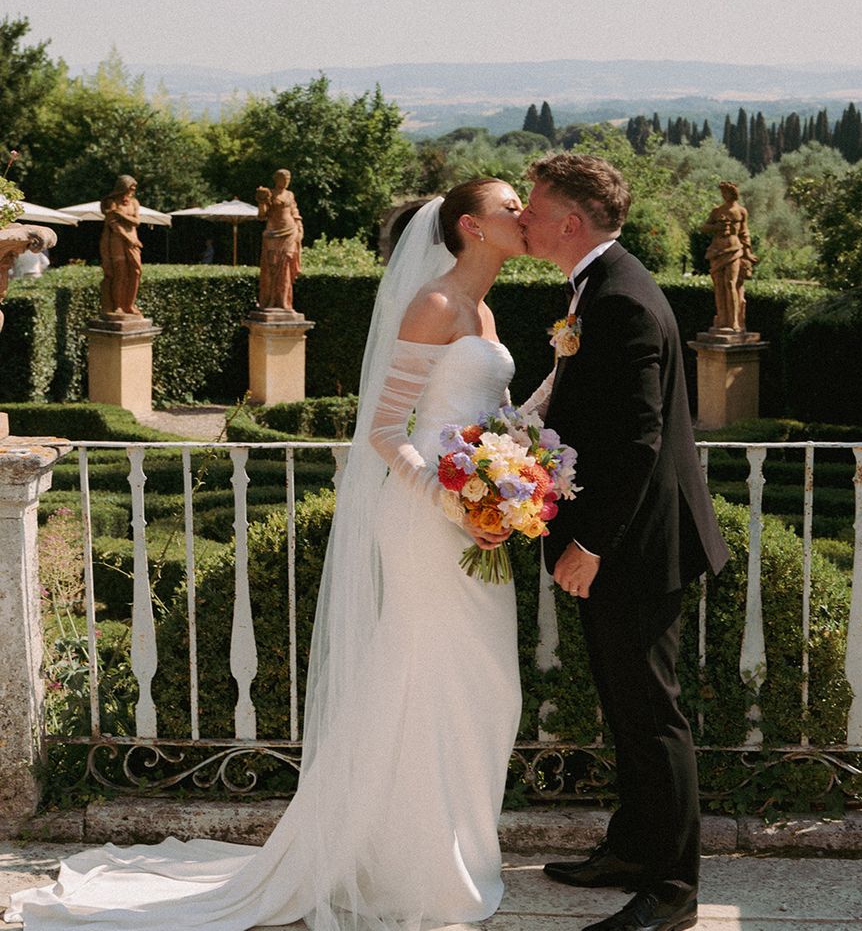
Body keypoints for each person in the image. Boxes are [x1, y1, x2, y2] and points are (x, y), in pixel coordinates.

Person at [4, 178, 528, 931]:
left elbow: (484, 421)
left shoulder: (483, 309)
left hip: (473, 520)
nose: (523, 215)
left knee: (484, 686)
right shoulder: (437, 304)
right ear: (473, 227)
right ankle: (413, 870)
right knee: (426, 676)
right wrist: (454, 501)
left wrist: (525, 461)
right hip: (426, 521)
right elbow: (385, 429)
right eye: (511, 206)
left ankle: (444, 853)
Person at [518, 153, 729, 931]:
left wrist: (594, 544)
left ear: (571, 221)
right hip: (620, 543)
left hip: (636, 549)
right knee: (624, 704)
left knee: (653, 715)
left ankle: (673, 892)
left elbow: (640, 442)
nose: (526, 222)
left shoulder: (623, 302)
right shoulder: (599, 290)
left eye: (535, 210)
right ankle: (633, 850)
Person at [701, 181, 757, 333]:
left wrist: (748, 252)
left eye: (726, 192)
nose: (723, 195)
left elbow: (745, 233)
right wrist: (716, 227)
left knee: (731, 283)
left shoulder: (741, 211)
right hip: (717, 249)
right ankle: (722, 319)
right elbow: (704, 227)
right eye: (722, 193)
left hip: (734, 248)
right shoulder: (717, 211)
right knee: (718, 285)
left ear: (733, 193)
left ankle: (734, 321)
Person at [256, 168, 303, 310]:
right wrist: (261, 201)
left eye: (288, 179)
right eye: (284, 179)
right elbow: (262, 215)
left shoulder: (290, 194)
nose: (286, 182)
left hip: (290, 231)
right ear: (276, 179)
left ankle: (284, 302)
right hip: (273, 233)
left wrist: (299, 228)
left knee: (286, 267)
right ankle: (270, 300)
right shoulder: (270, 193)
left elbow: (295, 212)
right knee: (272, 266)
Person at [98, 174, 144, 316]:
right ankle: (118, 306)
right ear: (123, 187)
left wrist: (120, 214)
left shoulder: (134, 203)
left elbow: (137, 222)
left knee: (136, 272)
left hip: (133, 241)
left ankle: (129, 305)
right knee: (120, 273)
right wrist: (127, 238)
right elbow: (113, 225)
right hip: (117, 241)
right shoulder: (112, 201)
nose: (133, 190)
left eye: (134, 188)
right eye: (131, 187)